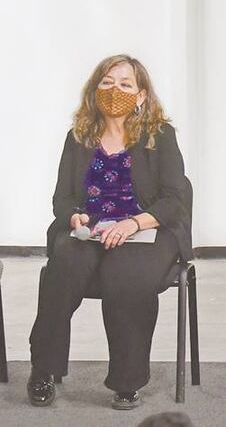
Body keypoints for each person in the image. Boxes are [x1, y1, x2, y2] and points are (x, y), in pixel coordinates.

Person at [28, 55, 191, 410]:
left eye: (125, 84)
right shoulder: (79, 137)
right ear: (94, 88)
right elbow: (63, 197)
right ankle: (43, 369)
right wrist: (73, 216)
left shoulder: (159, 137)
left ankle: (127, 381)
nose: (114, 89)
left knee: (126, 275)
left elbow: (174, 200)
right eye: (107, 82)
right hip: (91, 230)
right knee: (63, 266)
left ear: (142, 95)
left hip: (145, 230)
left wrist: (133, 223)